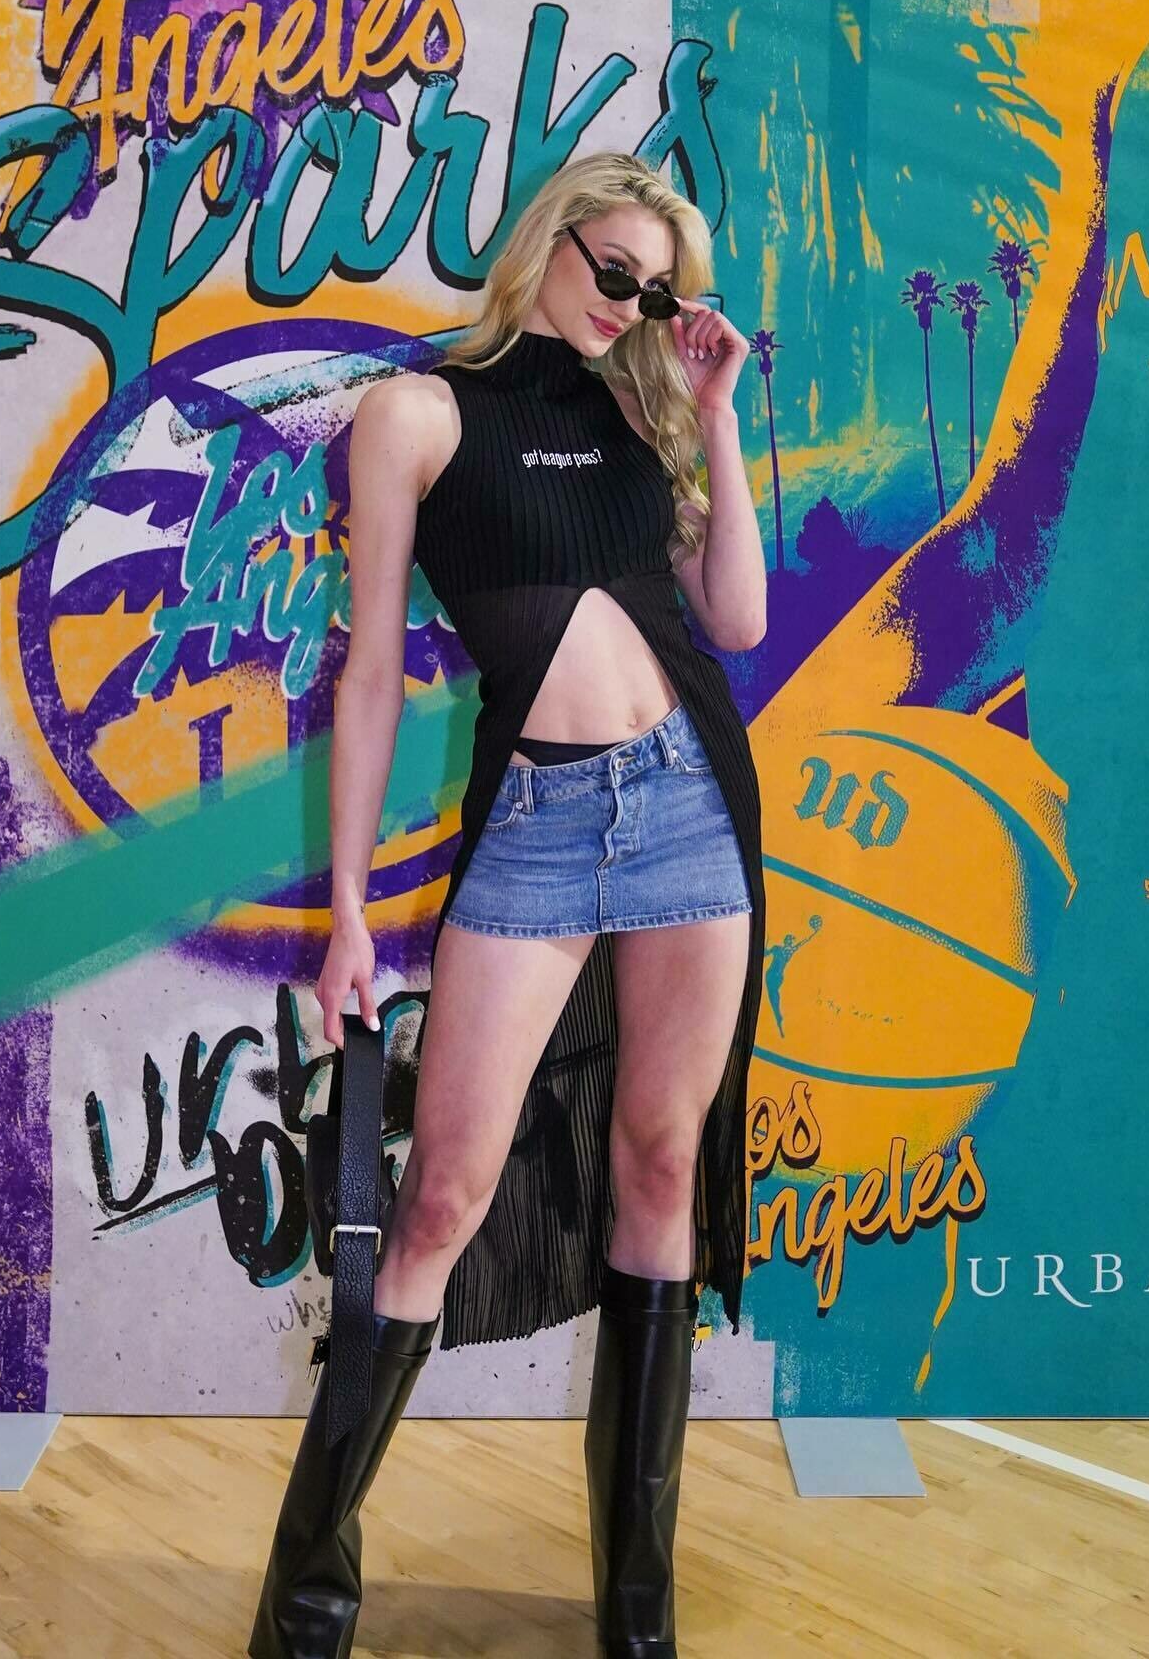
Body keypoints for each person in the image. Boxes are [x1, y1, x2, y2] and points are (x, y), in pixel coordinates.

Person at [249, 151, 767, 1659]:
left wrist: (718, 415)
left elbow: (735, 620)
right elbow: (366, 676)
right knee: (441, 1199)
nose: (631, 306)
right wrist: (351, 913)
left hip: (691, 807)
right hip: (538, 827)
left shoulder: (645, 413)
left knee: (660, 1166)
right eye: (615, 272)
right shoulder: (416, 414)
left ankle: (637, 1616)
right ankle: (306, 1605)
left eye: (657, 291)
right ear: (548, 241)